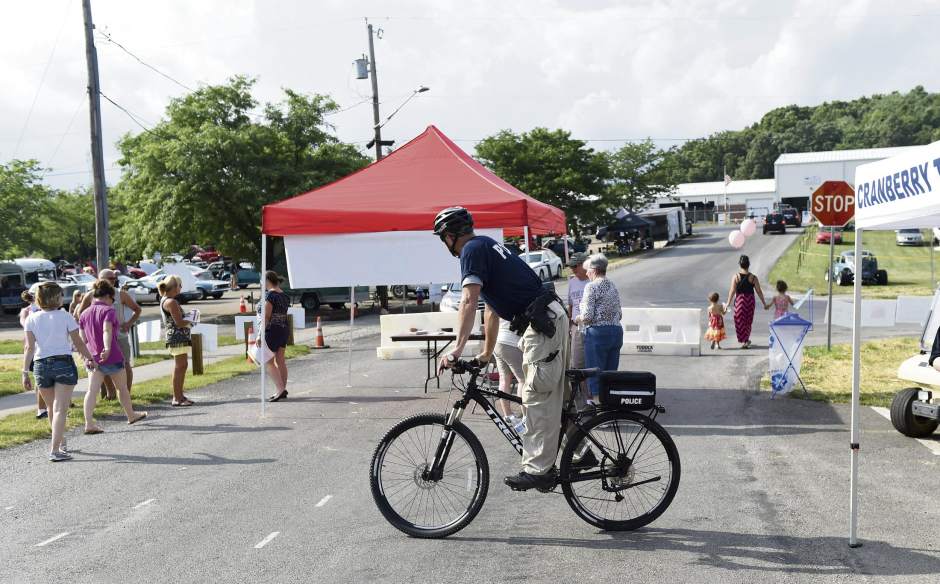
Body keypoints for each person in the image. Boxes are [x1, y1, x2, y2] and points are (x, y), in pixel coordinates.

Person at [434, 206, 569, 491]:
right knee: (551, 396)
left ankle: (538, 470)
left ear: (449, 235)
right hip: (547, 319)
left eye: (442, 238)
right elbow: (490, 312)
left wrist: (457, 349)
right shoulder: (486, 245)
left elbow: (468, 301)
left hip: (542, 324)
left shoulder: (470, 249)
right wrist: (485, 354)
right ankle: (581, 453)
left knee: (535, 394)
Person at [21, 282, 98, 462]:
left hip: (40, 364)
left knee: (51, 408)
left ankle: (61, 442)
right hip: (62, 362)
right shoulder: (64, 316)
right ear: (56, 298)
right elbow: (78, 343)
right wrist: (89, 358)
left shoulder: (32, 318)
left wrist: (24, 371)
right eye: (61, 295)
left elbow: (29, 348)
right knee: (60, 409)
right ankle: (55, 450)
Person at [78, 279, 147, 433]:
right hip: (112, 355)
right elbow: (107, 330)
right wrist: (108, 348)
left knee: (92, 390)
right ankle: (130, 415)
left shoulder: (84, 313)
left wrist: (84, 355)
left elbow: (83, 339)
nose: (112, 302)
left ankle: (88, 423)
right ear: (108, 296)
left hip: (92, 357)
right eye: (112, 299)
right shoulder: (109, 311)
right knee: (122, 388)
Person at [77, 269, 143, 398]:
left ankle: (126, 393)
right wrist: (88, 331)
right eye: (110, 278)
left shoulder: (120, 294)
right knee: (102, 365)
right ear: (100, 279)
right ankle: (110, 392)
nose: (113, 281)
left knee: (125, 364)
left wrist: (129, 323)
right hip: (98, 338)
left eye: (114, 278)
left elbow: (137, 309)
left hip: (119, 336)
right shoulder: (90, 295)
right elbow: (81, 314)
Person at [575, 254, 623, 400]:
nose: (587, 274)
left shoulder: (591, 286)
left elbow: (588, 316)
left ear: (594, 270)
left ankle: (599, 411)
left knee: (595, 375)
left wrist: (578, 318)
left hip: (598, 334)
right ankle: (610, 408)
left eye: (588, 270)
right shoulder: (612, 285)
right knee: (610, 375)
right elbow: (619, 314)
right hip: (616, 332)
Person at [158, 275, 195, 406]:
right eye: (180, 285)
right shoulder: (171, 302)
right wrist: (192, 319)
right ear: (174, 287)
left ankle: (179, 396)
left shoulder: (166, 300)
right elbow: (178, 322)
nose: (181, 288)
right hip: (177, 337)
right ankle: (177, 397)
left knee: (181, 366)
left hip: (176, 336)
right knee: (181, 366)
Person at [260, 271, 291, 402]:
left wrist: (260, 335)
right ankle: (282, 388)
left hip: (272, 330)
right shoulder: (284, 295)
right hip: (284, 328)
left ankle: (280, 389)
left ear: (267, 280)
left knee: (268, 361)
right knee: (280, 360)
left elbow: (266, 317)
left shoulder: (270, 295)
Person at [725, 254, 768, 349]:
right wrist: (764, 303)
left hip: (740, 301)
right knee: (748, 321)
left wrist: (728, 303)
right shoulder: (753, 277)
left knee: (739, 320)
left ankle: (744, 340)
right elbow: (759, 291)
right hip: (750, 301)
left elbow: (732, 291)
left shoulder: (736, 277)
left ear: (740, 265)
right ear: (749, 265)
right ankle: (746, 339)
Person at [493, 318, 525, 432]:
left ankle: (508, 414)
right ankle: (525, 416)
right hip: (512, 342)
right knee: (523, 380)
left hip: (497, 340)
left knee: (504, 379)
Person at [19, 290, 47, 419]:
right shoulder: (26, 311)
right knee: (38, 379)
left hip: (45, 347)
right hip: (33, 349)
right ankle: (41, 409)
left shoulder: (47, 308)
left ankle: (50, 407)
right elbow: (26, 324)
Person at [566, 253, 589, 369]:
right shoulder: (572, 282)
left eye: (575, 266)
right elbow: (570, 304)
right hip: (576, 327)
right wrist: (569, 325)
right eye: (571, 267)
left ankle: (594, 388)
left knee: (593, 363)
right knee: (577, 364)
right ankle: (583, 388)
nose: (573, 269)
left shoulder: (593, 281)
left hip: (592, 327)